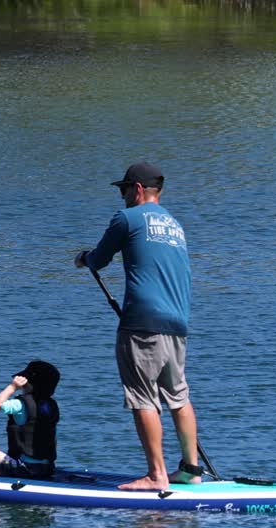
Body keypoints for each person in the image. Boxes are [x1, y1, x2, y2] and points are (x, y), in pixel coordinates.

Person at [75, 161, 204, 492]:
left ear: (137, 189)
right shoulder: (176, 225)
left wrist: (83, 258)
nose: (121, 197)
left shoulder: (127, 218)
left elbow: (100, 258)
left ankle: (156, 475)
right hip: (178, 323)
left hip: (142, 323)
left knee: (143, 398)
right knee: (178, 395)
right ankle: (191, 469)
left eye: (123, 190)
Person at [0, 360, 60, 479]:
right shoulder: (52, 406)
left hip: (27, 468)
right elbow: (54, 440)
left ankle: (11, 471)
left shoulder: (20, 404)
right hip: (48, 468)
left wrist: (12, 387)